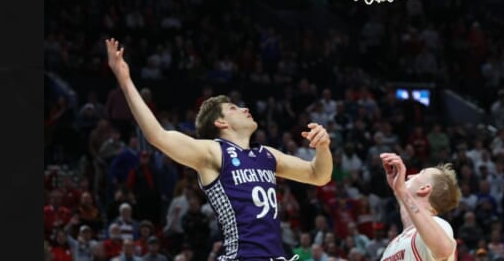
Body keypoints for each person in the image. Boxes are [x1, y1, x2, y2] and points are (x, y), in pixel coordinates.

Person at [105, 38, 334, 261]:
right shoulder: (213, 152)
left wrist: (323, 148)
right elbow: (157, 135)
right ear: (221, 123)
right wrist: (125, 82)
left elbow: (318, 175)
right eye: (234, 108)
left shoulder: (267, 154)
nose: (245, 109)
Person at [377, 153, 460, 261]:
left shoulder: (438, 223)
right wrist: (399, 192)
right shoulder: (392, 245)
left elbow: (444, 249)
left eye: (419, 174)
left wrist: (402, 192)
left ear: (424, 189)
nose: (409, 176)